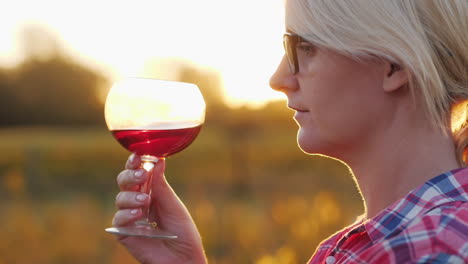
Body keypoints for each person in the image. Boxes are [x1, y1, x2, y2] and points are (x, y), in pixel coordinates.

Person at [110, 0, 468, 263]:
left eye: (305, 48)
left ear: (393, 65)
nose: (278, 80)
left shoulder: (430, 249)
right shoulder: (396, 237)